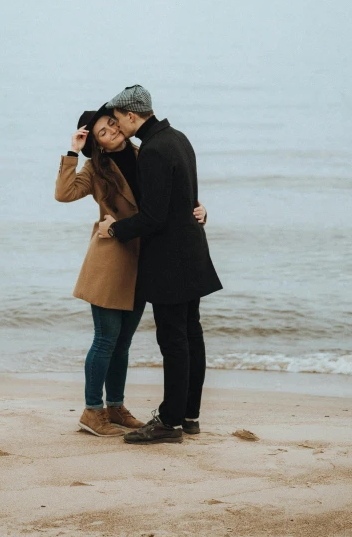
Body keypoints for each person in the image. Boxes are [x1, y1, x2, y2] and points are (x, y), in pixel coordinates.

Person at [55, 105, 208, 438]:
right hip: (111, 260)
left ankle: (116, 407)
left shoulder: (146, 153)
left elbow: (167, 198)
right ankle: (92, 410)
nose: (111, 131)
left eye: (111, 123)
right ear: (96, 143)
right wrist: (74, 152)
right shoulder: (96, 169)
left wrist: (197, 209)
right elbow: (64, 194)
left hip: (145, 261)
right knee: (106, 340)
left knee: (123, 344)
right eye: (101, 133)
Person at [98, 85, 223, 445]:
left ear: (133, 115)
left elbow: (153, 218)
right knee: (191, 334)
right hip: (193, 253)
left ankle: (169, 423)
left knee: (174, 340)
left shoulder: (153, 150)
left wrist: (114, 229)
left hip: (170, 260)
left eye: (119, 118)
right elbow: (184, 197)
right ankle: (189, 415)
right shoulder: (179, 138)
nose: (118, 126)